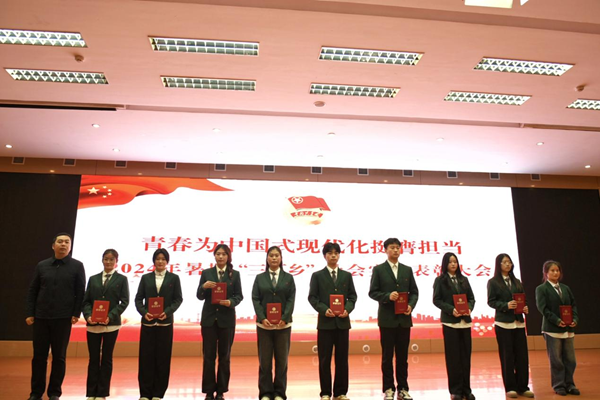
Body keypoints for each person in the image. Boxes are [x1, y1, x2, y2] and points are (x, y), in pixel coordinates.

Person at [26, 233, 86, 400]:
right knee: (39, 357)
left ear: (70, 246)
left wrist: (76, 313)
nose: (63, 244)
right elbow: (33, 290)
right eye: (60, 242)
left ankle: (54, 392)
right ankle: (36, 392)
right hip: (41, 317)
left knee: (59, 357)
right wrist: (30, 313)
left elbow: (80, 292)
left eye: (67, 242)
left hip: (63, 318)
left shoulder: (77, 266)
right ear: (53, 246)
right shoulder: (42, 265)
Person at [369, 238, 418, 400]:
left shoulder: (407, 270)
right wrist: (387, 296)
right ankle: (388, 388)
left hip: (404, 320)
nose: (396, 250)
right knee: (387, 357)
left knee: (403, 357)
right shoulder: (379, 270)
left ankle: (403, 388)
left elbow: (414, 292)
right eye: (392, 247)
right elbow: (373, 292)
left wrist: (410, 305)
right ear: (385, 250)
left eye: (398, 247)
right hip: (387, 320)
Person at [308, 242, 357, 400]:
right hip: (325, 324)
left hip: (342, 323)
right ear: (325, 256)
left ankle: (341, 392)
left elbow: (352, 297)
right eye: (330, 253)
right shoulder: (317, 276)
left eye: (336, 253)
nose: (333, 255)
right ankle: (326, 393)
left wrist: (347, 309)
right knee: (324, 360)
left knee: (342, 359)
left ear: (339, 255)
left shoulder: (346, 276)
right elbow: (312, 297)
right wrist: (324, 310)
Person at [134, 248, 183, 400]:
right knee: (146, 358)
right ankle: (145, 393)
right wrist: (144, 312)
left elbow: (178, 299)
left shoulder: (174, 278)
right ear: (153, 261)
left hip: (165, 324)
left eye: (163, 259)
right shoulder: (146, 278)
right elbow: (138, 299)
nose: (160, 261)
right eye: (157, 259)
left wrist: (167, 312)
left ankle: (158, 393)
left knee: (163, 359)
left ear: (167, 261)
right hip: (148, 324)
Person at [82, 249, 130, 400]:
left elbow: (124, 301)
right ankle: (91, 392)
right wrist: (88, 315)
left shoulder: (122, 279)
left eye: (111, 259)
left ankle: (102, 393)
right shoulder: (93, 279)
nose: (108, 262)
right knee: (93, 359)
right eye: (106, 259)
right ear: (102, 260)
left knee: (107, 358)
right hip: (93, 325)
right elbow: (86, 301)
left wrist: (110, 316)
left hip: (111, 325)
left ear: (116, 261)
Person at [197, 244, 244, 400]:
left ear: (228, 256)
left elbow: (239, 296)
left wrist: (231, 302)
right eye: (218, 254)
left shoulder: (234, 275)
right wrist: (203, 287)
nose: (221, 256)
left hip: (226, 320)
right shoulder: (206, 273)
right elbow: (199, 296)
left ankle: (221, 390)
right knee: (208, 356)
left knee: (224, 357)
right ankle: (209, 391)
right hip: (209, 320)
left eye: (224, 254)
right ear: (214, 256)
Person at [251, 246, 296, 400]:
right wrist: (262, 317)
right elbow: (255, 298)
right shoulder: (260, 278)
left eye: (277, 255)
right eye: (271, 255)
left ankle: (279, 393)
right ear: (267, 258)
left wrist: (284, 317)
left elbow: (291, 299)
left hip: (283, 326)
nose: (274, 258)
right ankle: (265, 392)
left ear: (281, 258)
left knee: (282, 361)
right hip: (264, 326)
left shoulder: (288, 278)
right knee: (265, 361)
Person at [487, 253, 534, 399]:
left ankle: (523, 387)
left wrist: (525, 307)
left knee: (522, 356)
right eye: (505, 262)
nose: (508, 264)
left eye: (509, 262)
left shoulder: (517, 281)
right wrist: (505, 305)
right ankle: (510, 387)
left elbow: (523, 299)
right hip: (503, 324)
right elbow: (491, 301)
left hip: (518, 323)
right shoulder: (493, 282)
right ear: (499, 264)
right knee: (507, 357)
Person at [432, 252, 476, 400]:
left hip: (465, 323)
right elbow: (436, 300)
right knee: (453, 358)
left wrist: (469, 308)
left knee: (465, 357)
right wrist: (451, 310)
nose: (453, 264)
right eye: (450, 262)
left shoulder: (464, 280)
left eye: (455, 262)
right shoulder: (440, 280)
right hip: (450, 323)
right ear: (445, 264)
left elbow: (471, 298)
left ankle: (466, 390)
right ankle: (455, 390)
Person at [535, 260, 580, 397]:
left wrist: (575, 319)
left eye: (557, 270)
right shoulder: (541, 289)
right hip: (552, 330)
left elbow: (573, 305)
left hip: (568, 330)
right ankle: (559, 385)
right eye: (552, 270)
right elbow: (543, 308)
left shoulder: (565, 288)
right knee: (556, 360)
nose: (555, 273)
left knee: (570, 360)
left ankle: (570, 384)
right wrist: (557, 321)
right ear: (546, 273)